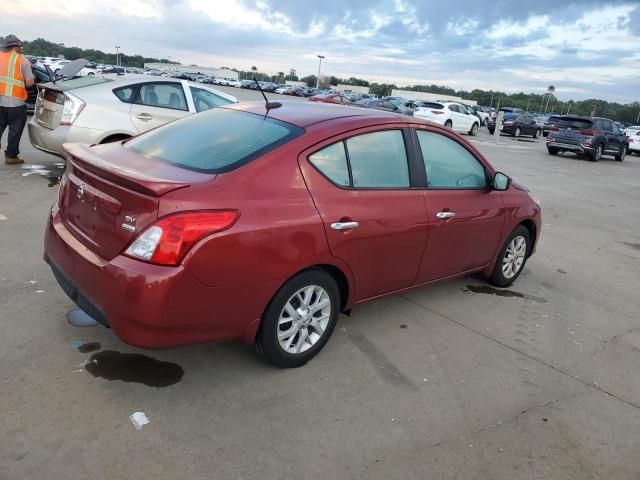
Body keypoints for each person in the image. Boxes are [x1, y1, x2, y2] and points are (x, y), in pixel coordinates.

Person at [0, 34, 34, 165]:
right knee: (15, 130)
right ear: (15, 46)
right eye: (20, 46)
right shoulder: (22, 61)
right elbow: (30, 83)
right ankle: (11, 156)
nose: (21, 49)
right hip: (16, 103)